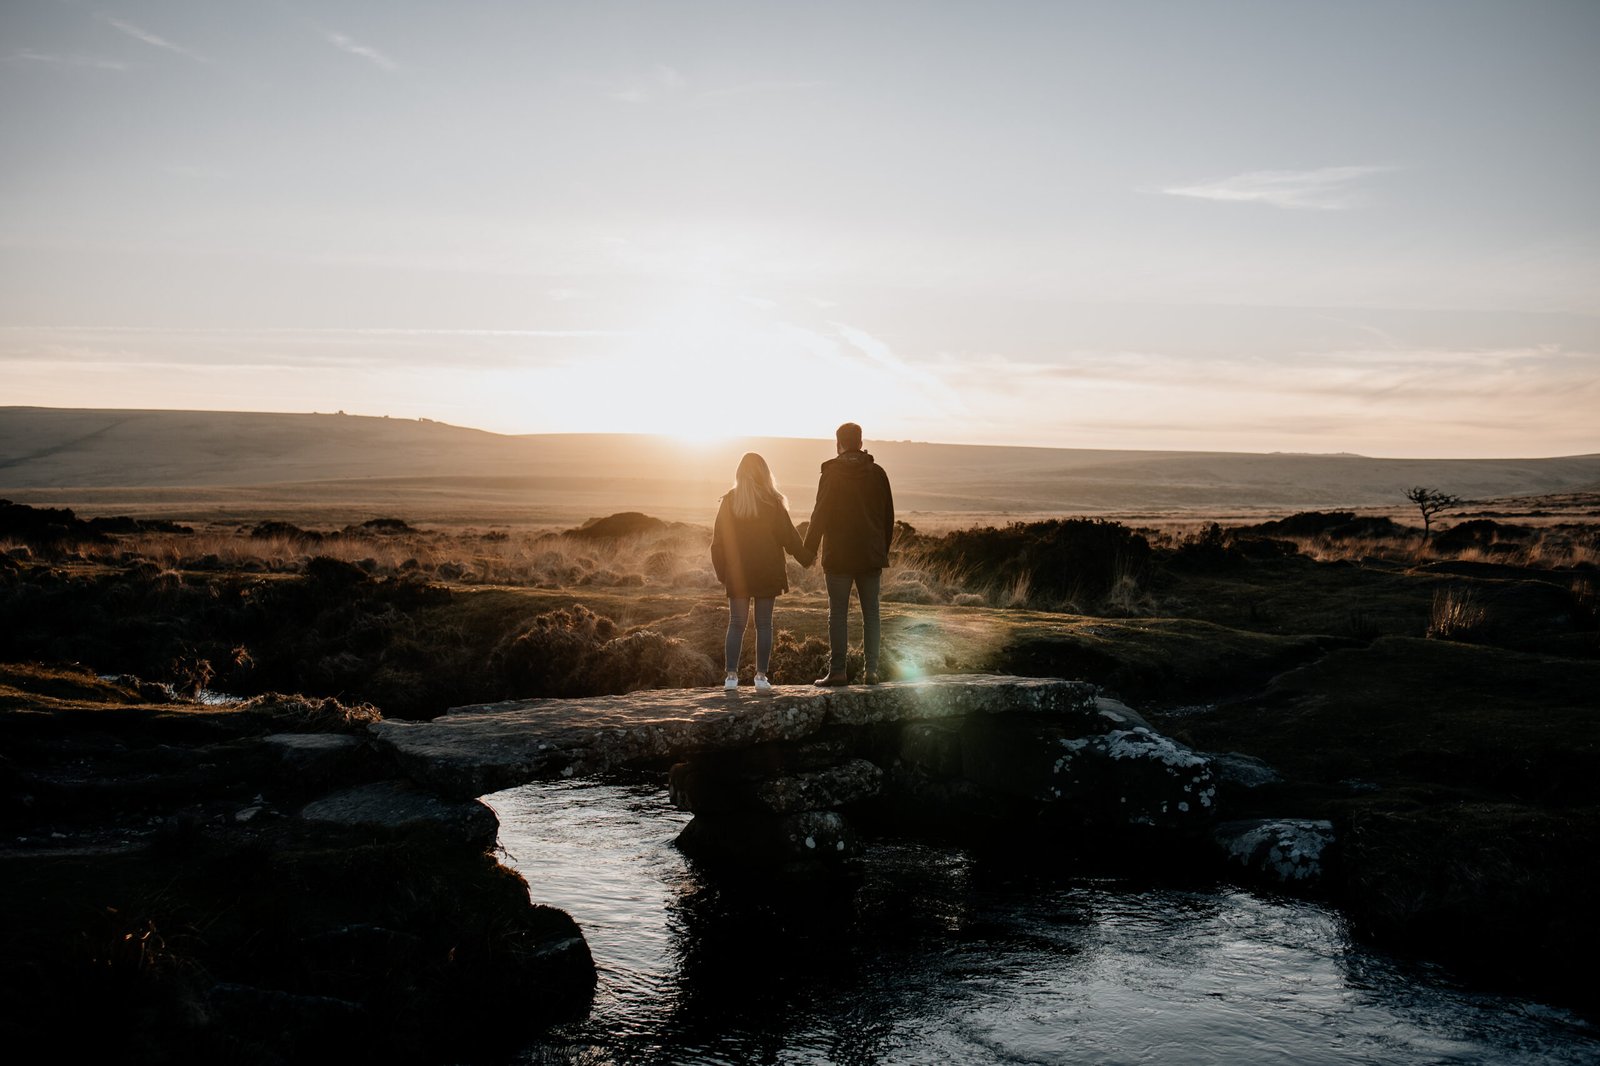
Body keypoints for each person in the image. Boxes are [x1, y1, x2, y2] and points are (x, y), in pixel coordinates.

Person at [710, 452, 813, 692]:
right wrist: (808, 558)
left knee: (736, 623)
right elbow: (790, 537)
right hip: (767, 572)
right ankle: (760, 677)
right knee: (764, 625)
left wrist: (723, 574)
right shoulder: (773, 503)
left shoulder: (729, 502)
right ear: (765, 474)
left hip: (737, 574)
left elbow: (718, 542)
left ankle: (731, 678)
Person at [802, 422, 894, 686]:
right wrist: (881, 550)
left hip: (839, 557)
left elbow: (819, 516)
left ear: (838, 443)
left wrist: (807, 553)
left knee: (838, 614)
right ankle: (871, 672)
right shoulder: (878, 474)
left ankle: (838, 672)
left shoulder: (831, 475)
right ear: (861, 443)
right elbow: (889, 518)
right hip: (870, 556)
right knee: (871, 614)